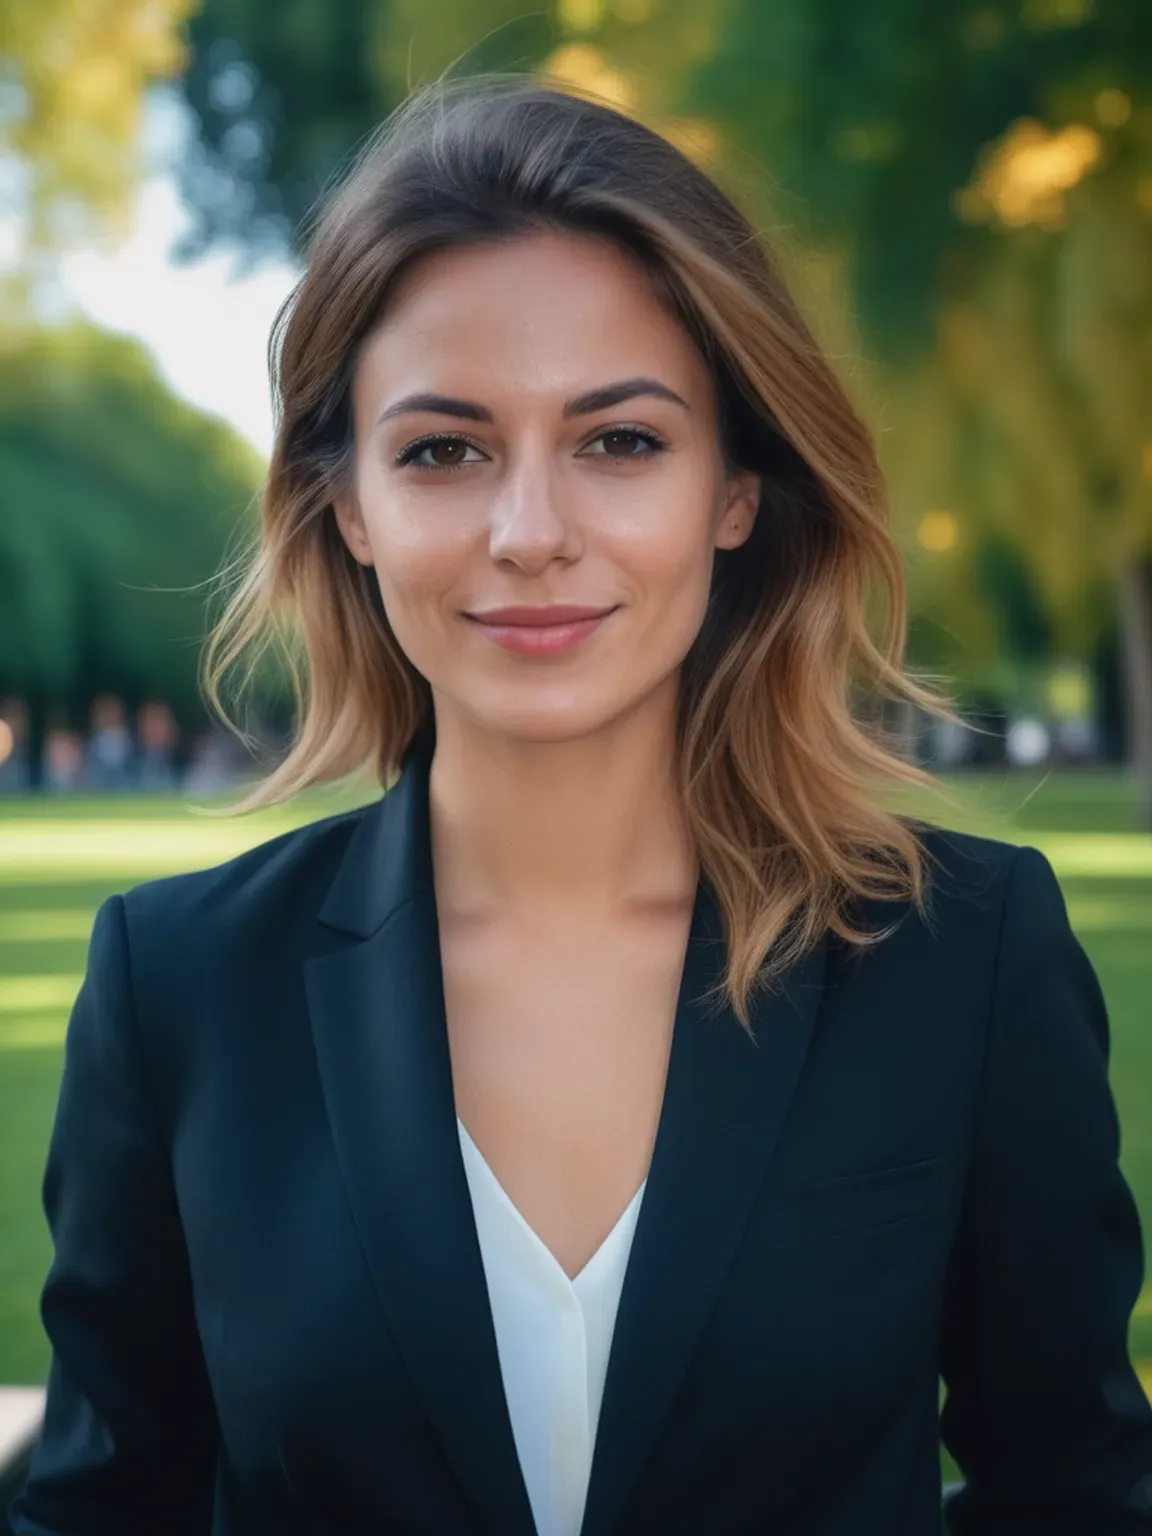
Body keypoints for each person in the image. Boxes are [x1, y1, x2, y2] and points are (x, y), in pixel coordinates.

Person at [10, 75, 1152, 1536]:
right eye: (443, 450)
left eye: (620, 441)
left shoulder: (965, 957)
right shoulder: (176, 988)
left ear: (736, 489)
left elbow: (1074, 1496)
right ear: (349, 504)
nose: (530, 532)